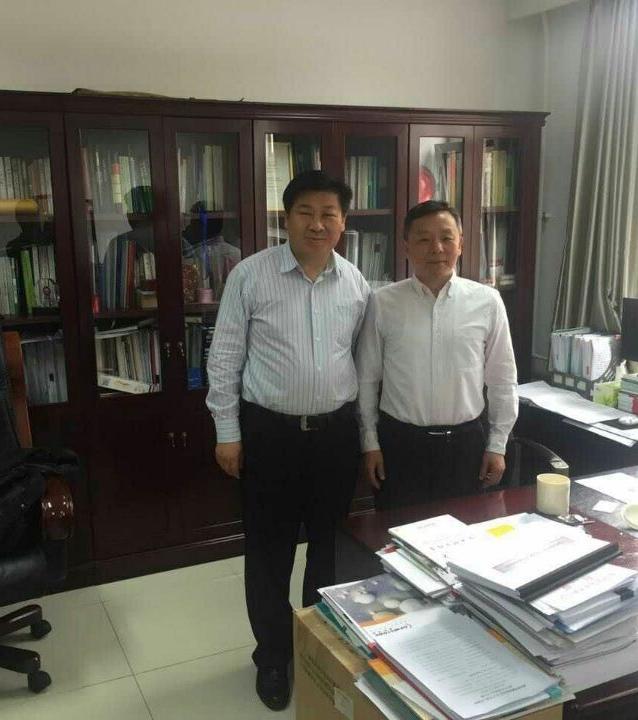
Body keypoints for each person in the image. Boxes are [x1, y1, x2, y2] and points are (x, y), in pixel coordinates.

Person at [206, 170, 369, 711]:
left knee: (330, 551)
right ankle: (274, 658)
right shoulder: (250, 276)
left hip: (335, 437)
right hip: (269, 436)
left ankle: (318, 649)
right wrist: (227, 432)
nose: (317, 224)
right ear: (286, 217)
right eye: (306, 212)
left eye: (329, 214)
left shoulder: (356, 283)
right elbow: (225, 359)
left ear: (342, 222)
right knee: (268, 554)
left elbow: (360, 361)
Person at [356, 200, 518, 510]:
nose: (436, 248)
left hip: (466, 447)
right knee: (395, 532)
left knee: (463, 532)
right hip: (400, 446)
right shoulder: (383, 303)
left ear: (461, 244)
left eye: (446, 237)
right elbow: (366, 379)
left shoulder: (488, 302)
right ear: (406, 247)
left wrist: (497, 445)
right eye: (423, 239)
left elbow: (503, 380)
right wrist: (370, 443)